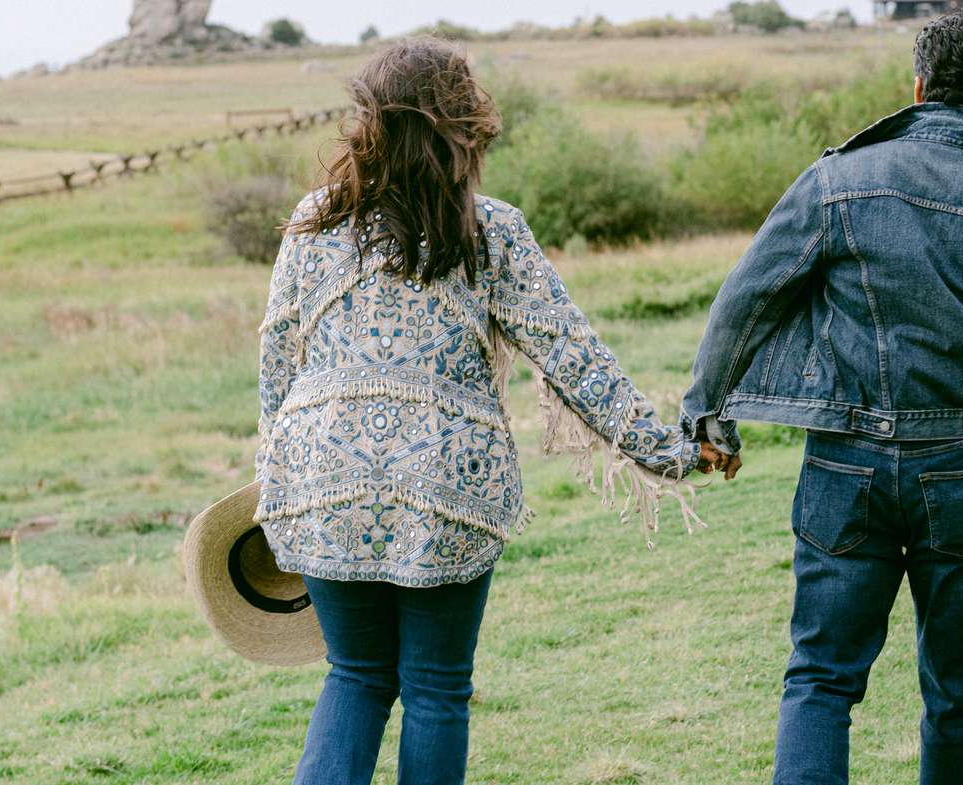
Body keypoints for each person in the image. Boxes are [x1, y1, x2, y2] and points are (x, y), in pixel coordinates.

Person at [254, 38, 709, 785]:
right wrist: (671, 450)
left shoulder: (315, 223)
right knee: (434, 685)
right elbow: (575, 359)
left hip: (321, 476)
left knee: (357, 674)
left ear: (368, 124)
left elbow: (278, 359)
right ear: (463, 126)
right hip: (445, 478)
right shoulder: (489, 232)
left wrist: (278, 479)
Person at [682, 13, 963, 785]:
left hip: (843, 468)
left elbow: (745, 298)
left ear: (918, 87)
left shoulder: (835, 180)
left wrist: (709, 418)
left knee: (821, 678)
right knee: (962, 690)